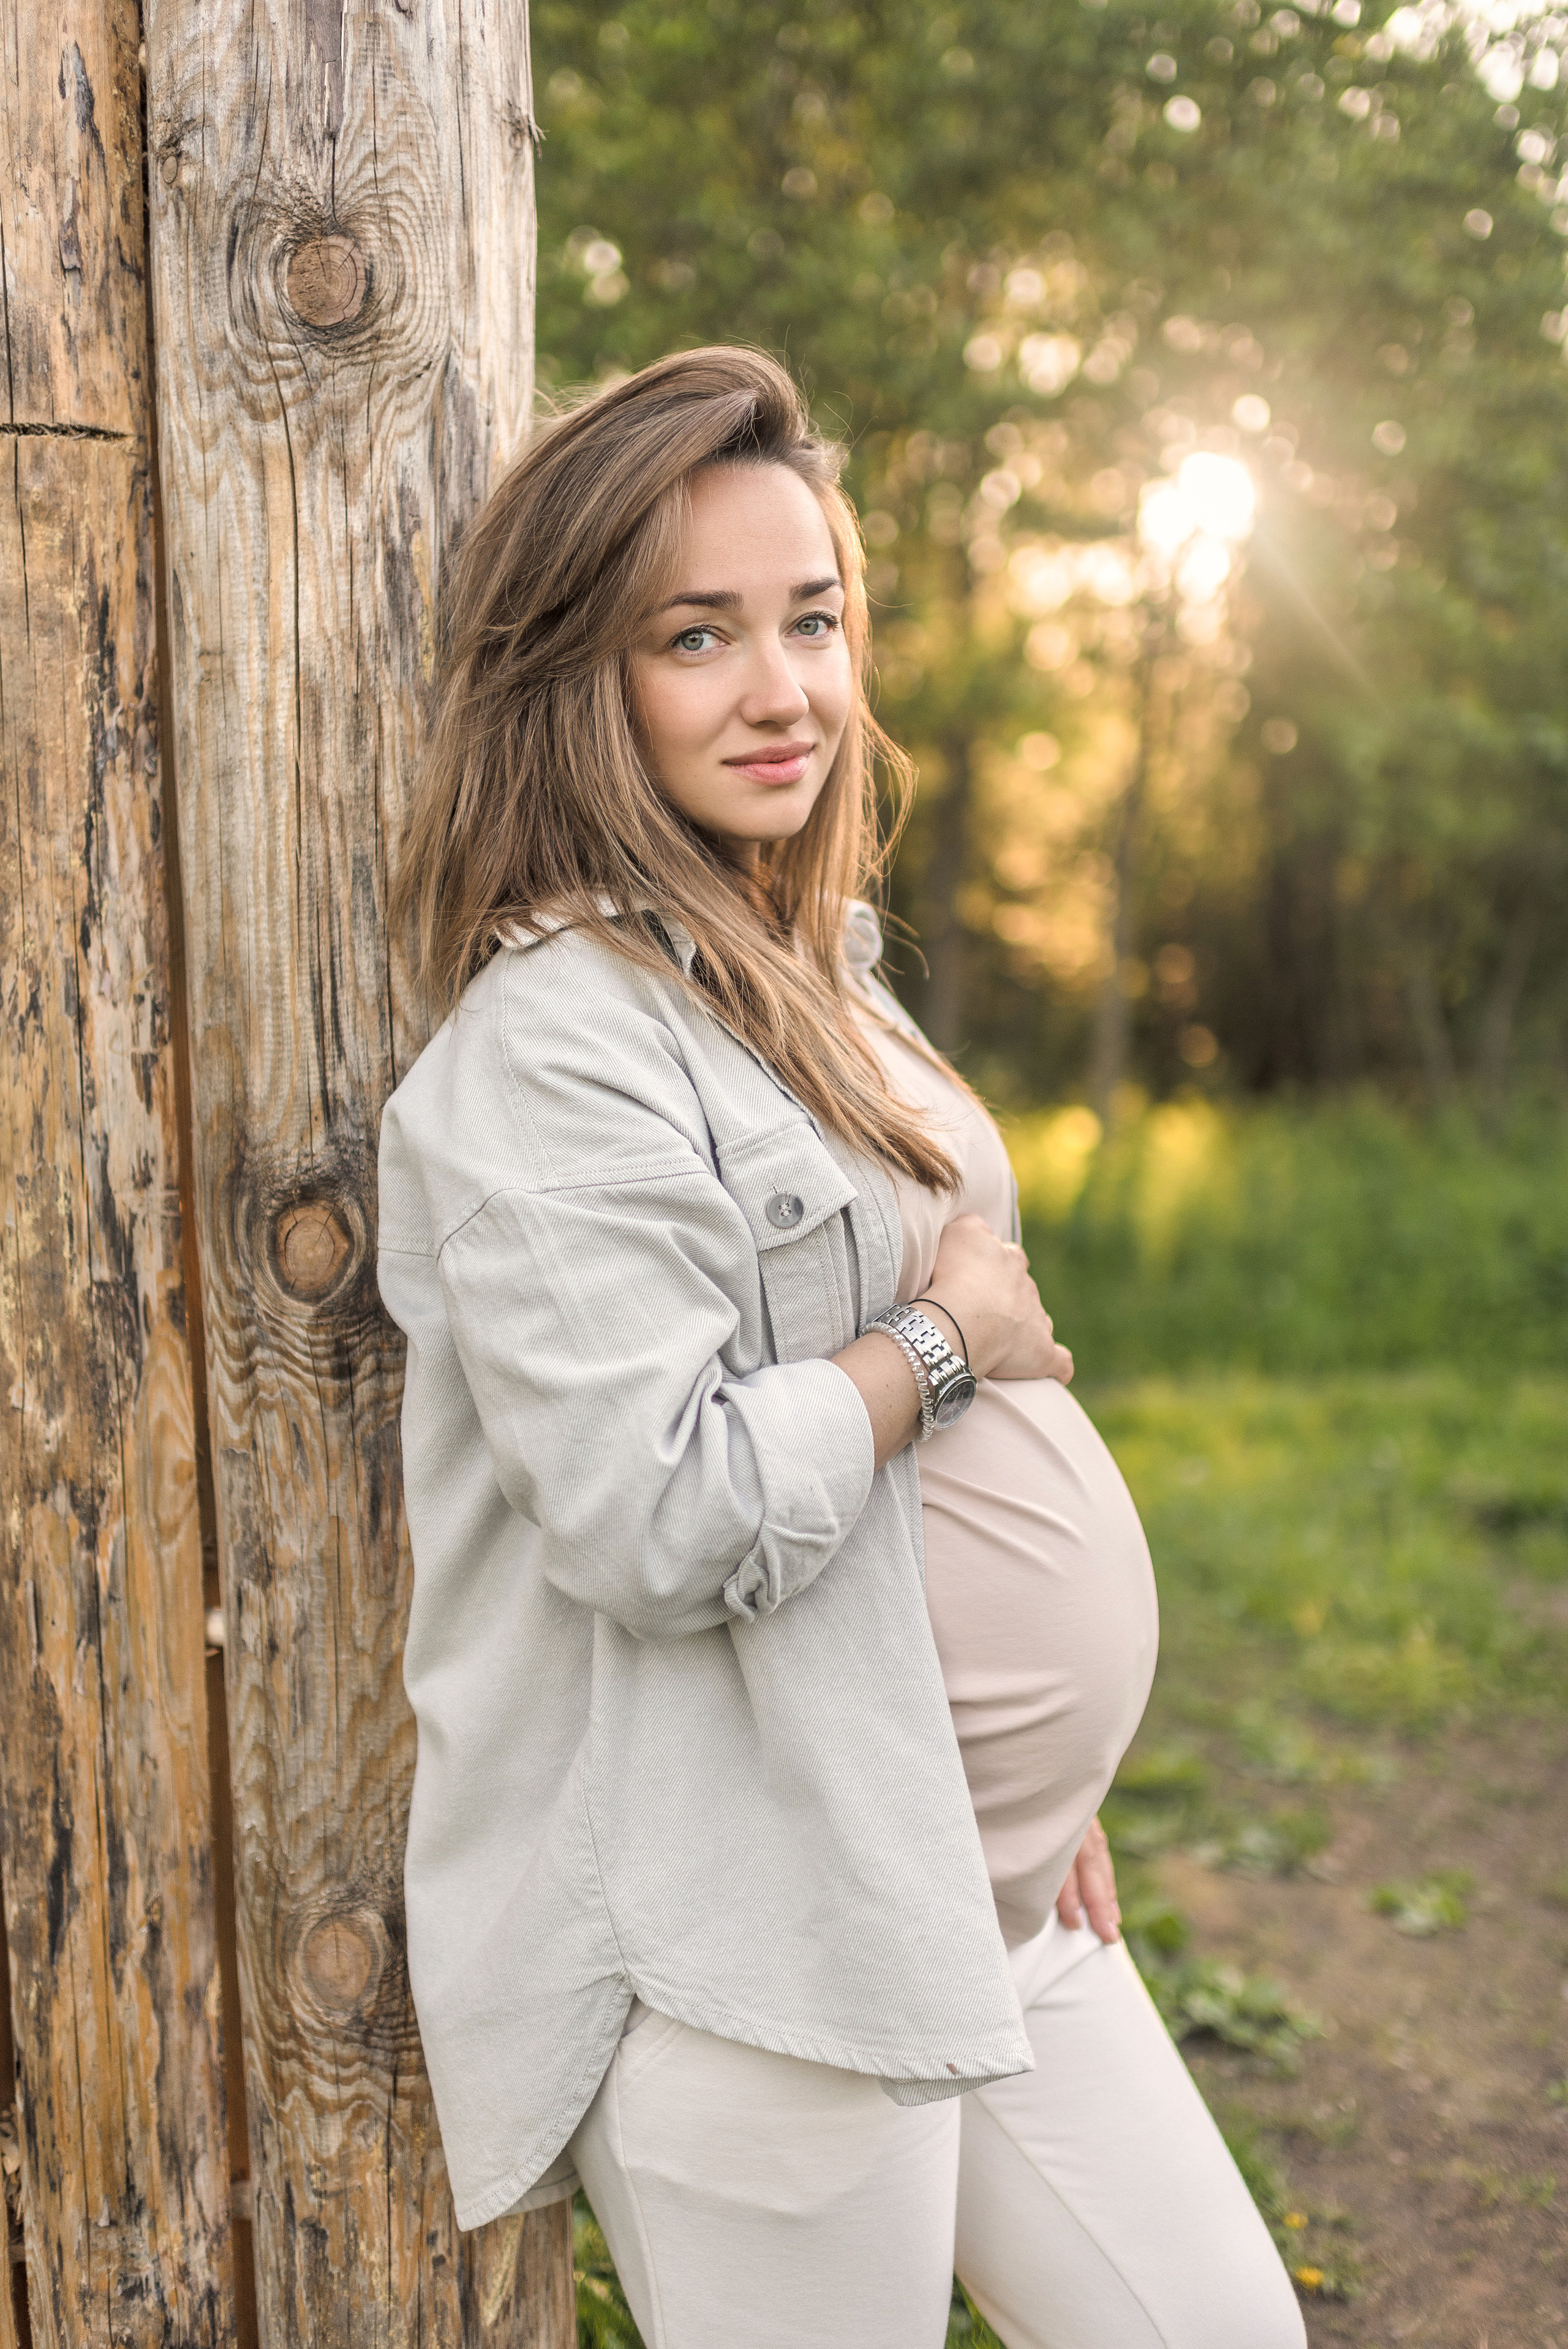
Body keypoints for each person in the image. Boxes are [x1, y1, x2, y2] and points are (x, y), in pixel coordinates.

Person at [379, 346, 1306, 2349]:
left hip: (965, 1871)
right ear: (579, 679)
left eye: (810, 619)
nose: (783, 688)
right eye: (696, 636)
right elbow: (658, 1515)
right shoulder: (554, 1050)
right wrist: (939, 1343)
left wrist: (1035, 1775)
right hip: (766, 1937)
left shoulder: (810, 963)